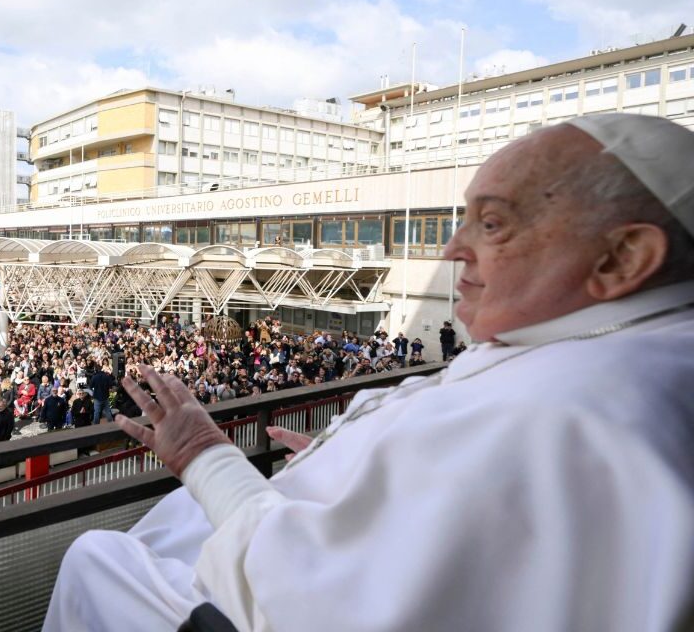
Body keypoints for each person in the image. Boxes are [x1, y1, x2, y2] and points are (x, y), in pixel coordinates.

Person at [45, 114, 694, 631]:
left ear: (623, 257)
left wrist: (201, 451)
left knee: (98, 560)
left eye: (492, 222)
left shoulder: (562, 408)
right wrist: (364, 465)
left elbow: (313, 601)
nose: (452, 247)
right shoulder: (628, 347)